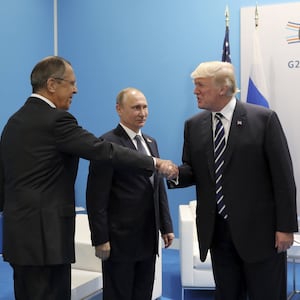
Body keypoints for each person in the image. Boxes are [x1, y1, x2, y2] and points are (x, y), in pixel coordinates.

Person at [0, 56, 178, 300]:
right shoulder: (57, 121)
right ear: (52, 84)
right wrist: (153, 162)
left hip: (19, 236)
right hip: (47, 238)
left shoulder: (13, 122)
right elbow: (102, 150)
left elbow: (5, 178)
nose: (75, 89)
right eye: (71, 83)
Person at [169, 61, 298, 300]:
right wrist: (173, 172)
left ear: (222, 88)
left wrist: (286, 227)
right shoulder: (193, 126)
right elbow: (194, 172)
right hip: (218, 234)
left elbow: (283, 178)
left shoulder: (263, 119)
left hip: (261, 235)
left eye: (200, 85)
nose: (195, 91)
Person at [86, 87, 175, 300]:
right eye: (136, 107)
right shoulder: (106, 144)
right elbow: (96, 196)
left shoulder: (151, 142)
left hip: (147, 238)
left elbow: (157, 187)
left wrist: (166, 225)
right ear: (119, 109)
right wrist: (100, 238)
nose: (142, 112)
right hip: (119, 241)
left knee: (143, 293)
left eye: (145, 107)